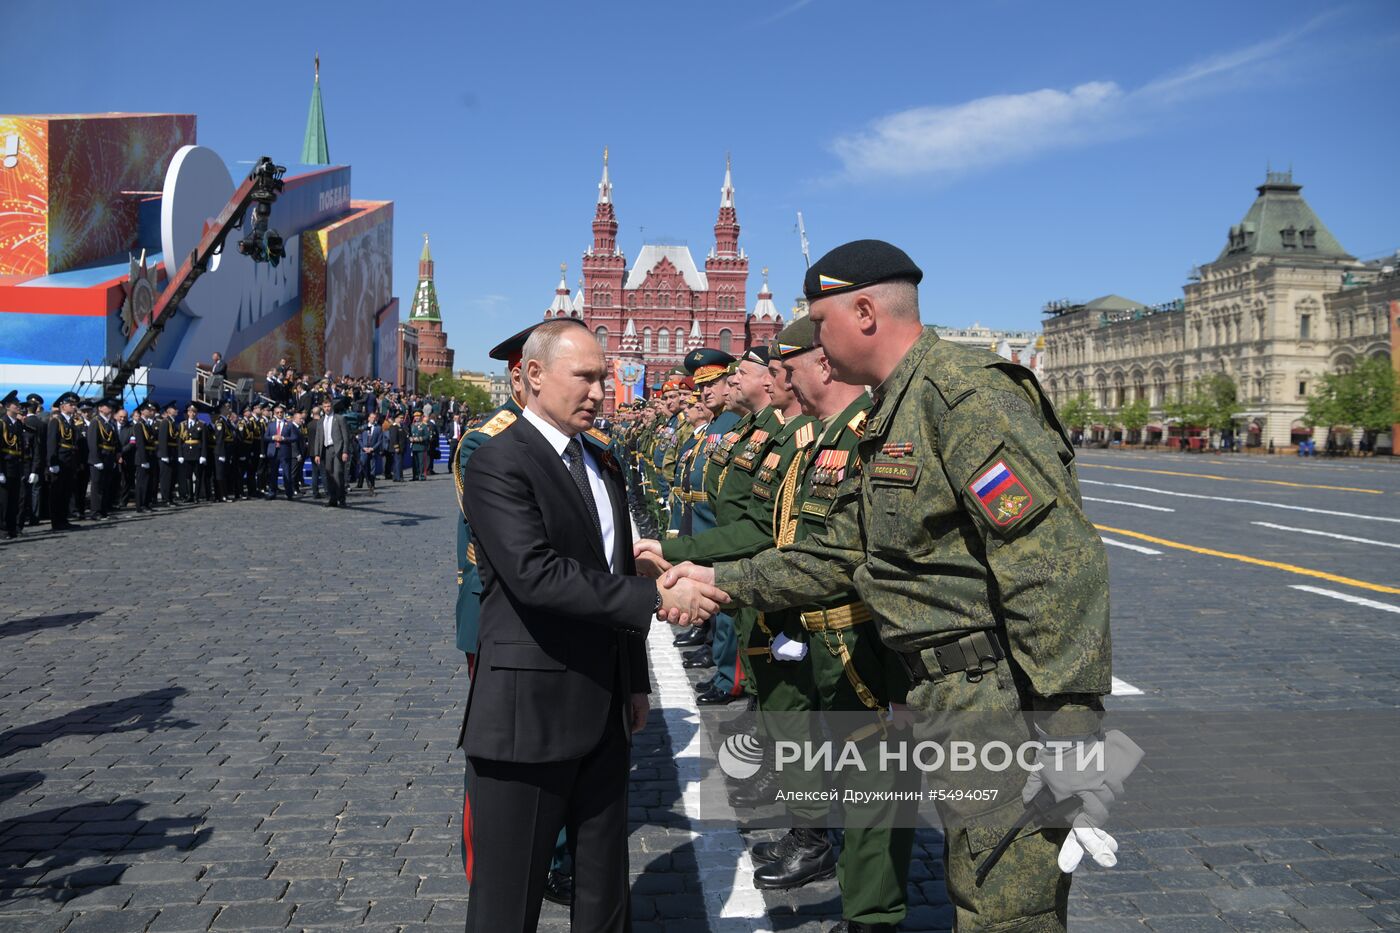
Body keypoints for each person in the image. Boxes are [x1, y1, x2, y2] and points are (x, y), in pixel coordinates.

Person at [663, 240, 1115, 933]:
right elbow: (844, 554)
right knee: (974, 889)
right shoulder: (892, 412)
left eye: (818, 323)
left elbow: (1056, 568)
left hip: (1000, 709)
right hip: (940, 693)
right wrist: (719, 578)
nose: (809, 343)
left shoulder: (964, 395)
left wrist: (1070, 736)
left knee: (1004, 911)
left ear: (866, 311)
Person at [459, 319, 723, 932]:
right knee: (507, 902)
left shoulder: (600, 457)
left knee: (605, 894)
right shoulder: (499, 460)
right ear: (531, 376)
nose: (601, 392)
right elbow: (534, 575)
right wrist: (654, 596)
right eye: (585, 377)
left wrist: (634, 680)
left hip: (605, 709)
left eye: (603, 378)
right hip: (530, 712)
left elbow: (610, 560)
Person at [45, 392, 82, 530]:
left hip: (70, 460)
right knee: (57, 492)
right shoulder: (56, 421)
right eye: (71, 404)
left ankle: (63, 518)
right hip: (60, 459)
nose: (73, 407)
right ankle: (56, 521)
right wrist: (52, 462)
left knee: (67, 491)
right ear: (63, 406)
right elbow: (52, 442)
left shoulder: (70, 421)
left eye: (74, 404)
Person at [312, 398, 351, 507]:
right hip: (326, 449)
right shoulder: (320, 421)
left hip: (337, 449)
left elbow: (345, 436)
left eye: (328, 406)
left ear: (332, 406)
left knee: (338, 474)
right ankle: (332, 498)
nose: (327, 409)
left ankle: (341, 499)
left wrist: (345, 451)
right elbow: (318, 438)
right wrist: (317, 454)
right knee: (329, 475)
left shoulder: (339, 419)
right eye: (324, 407)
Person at [1, 390, 25, 538]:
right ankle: (2, 529)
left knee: (14, 500)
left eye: (17, 404)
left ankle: (11, 528)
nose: (18, 406)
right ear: (7, 406)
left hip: (16, 466)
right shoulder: (2, 423)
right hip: (5, 466)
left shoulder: (17, 425)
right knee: (3, 501)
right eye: (15, 404)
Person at [263, 405, 300, 500]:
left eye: (281, 412)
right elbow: (265, 437)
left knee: (286, 473)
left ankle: (289, 493)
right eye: (277, 412)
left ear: (284, 413)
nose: (279, 414)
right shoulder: (271, 425)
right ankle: (272, 492)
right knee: (273, 474)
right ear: (274, 414)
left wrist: (284, 438)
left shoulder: (289, 424)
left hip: (284, 451)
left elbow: (295, 437)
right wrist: (273, 437)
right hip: (273, 451)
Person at [356, 413, 387, 495]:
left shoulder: (378, 428)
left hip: (373, 450)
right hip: (364, 449)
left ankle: (372, 484)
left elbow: (379, 440)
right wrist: (363, 447)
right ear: (368, 418)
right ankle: (360, 482)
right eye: (371, 417)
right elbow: (360, 439)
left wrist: (373, 448)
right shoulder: (363, 427)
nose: (373, 419)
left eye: (374, 418)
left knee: (372, 467)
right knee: (362, 466)